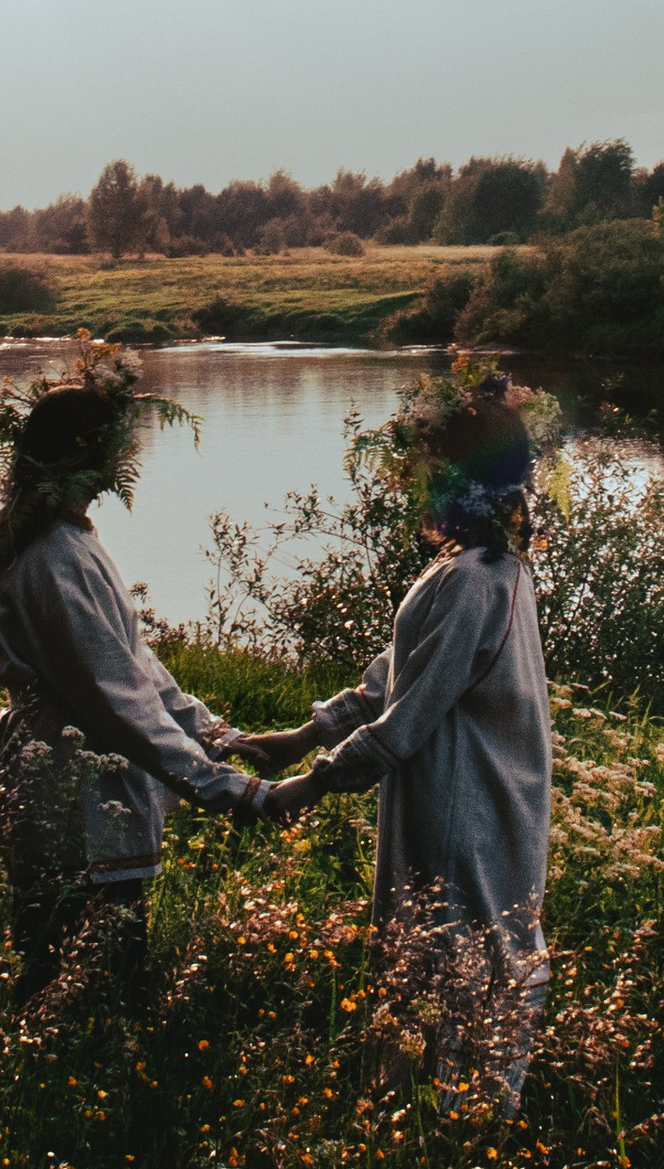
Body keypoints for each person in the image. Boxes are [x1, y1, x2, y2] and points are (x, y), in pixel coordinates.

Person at [235, 363, 554, 1102]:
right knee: (433, 959)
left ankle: (461, 1125)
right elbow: (396, 671)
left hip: (463, 805)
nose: (409, 481)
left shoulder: (478, 578)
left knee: (458, 957)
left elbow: (408, 717)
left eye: (421, 466)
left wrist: (304, 788)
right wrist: (304, 734)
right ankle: (408, 1116)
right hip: (450, 798)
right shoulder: (474, 568)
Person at [0, 345, 266, 1005]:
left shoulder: (66, 541)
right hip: (70, 783)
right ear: (82, 456)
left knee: (84, 956)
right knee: (78, 968)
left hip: (76, 775)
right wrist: (223, 788)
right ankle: (63, 1085)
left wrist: (214, 734)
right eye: (113, 451)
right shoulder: (52, 559)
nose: (121, 467)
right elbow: (111, 698)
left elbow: (130, 665)